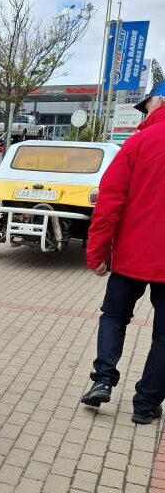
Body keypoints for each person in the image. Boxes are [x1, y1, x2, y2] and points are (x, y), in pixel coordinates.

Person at [80, 72, 165, 424]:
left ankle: (103, 379)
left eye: (148, 104)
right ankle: (145, 405)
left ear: (159, 102)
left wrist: (97, 253)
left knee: (115, 316)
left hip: (131, 256)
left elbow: (110, 202)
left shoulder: (140, 142)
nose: (145, 112)